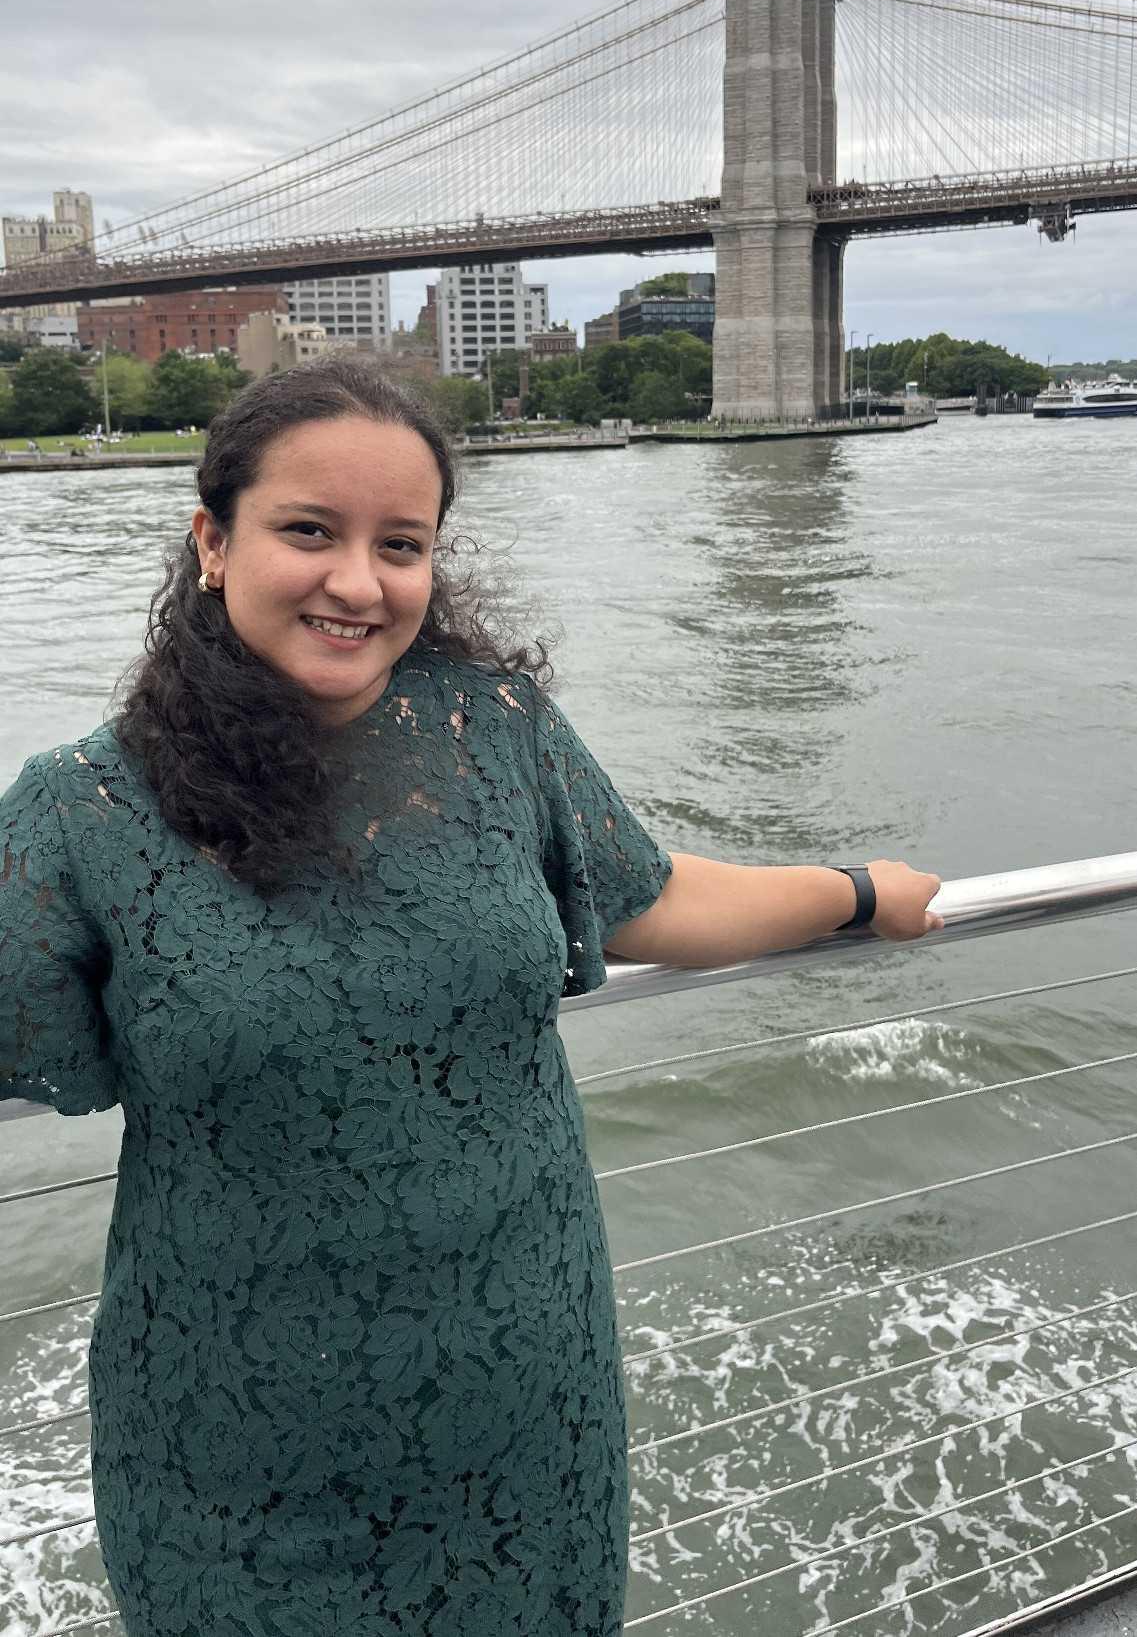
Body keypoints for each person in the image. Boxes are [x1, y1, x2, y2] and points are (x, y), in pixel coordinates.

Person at [0, 358, 941, 1636]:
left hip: (524, 1397)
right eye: (309, 530)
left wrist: (855, 890)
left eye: (402, 543)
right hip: (232, 1440)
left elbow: (647, 894)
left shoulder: (493, 728)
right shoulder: (80, 808)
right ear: (213, 541)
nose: (359, 582)